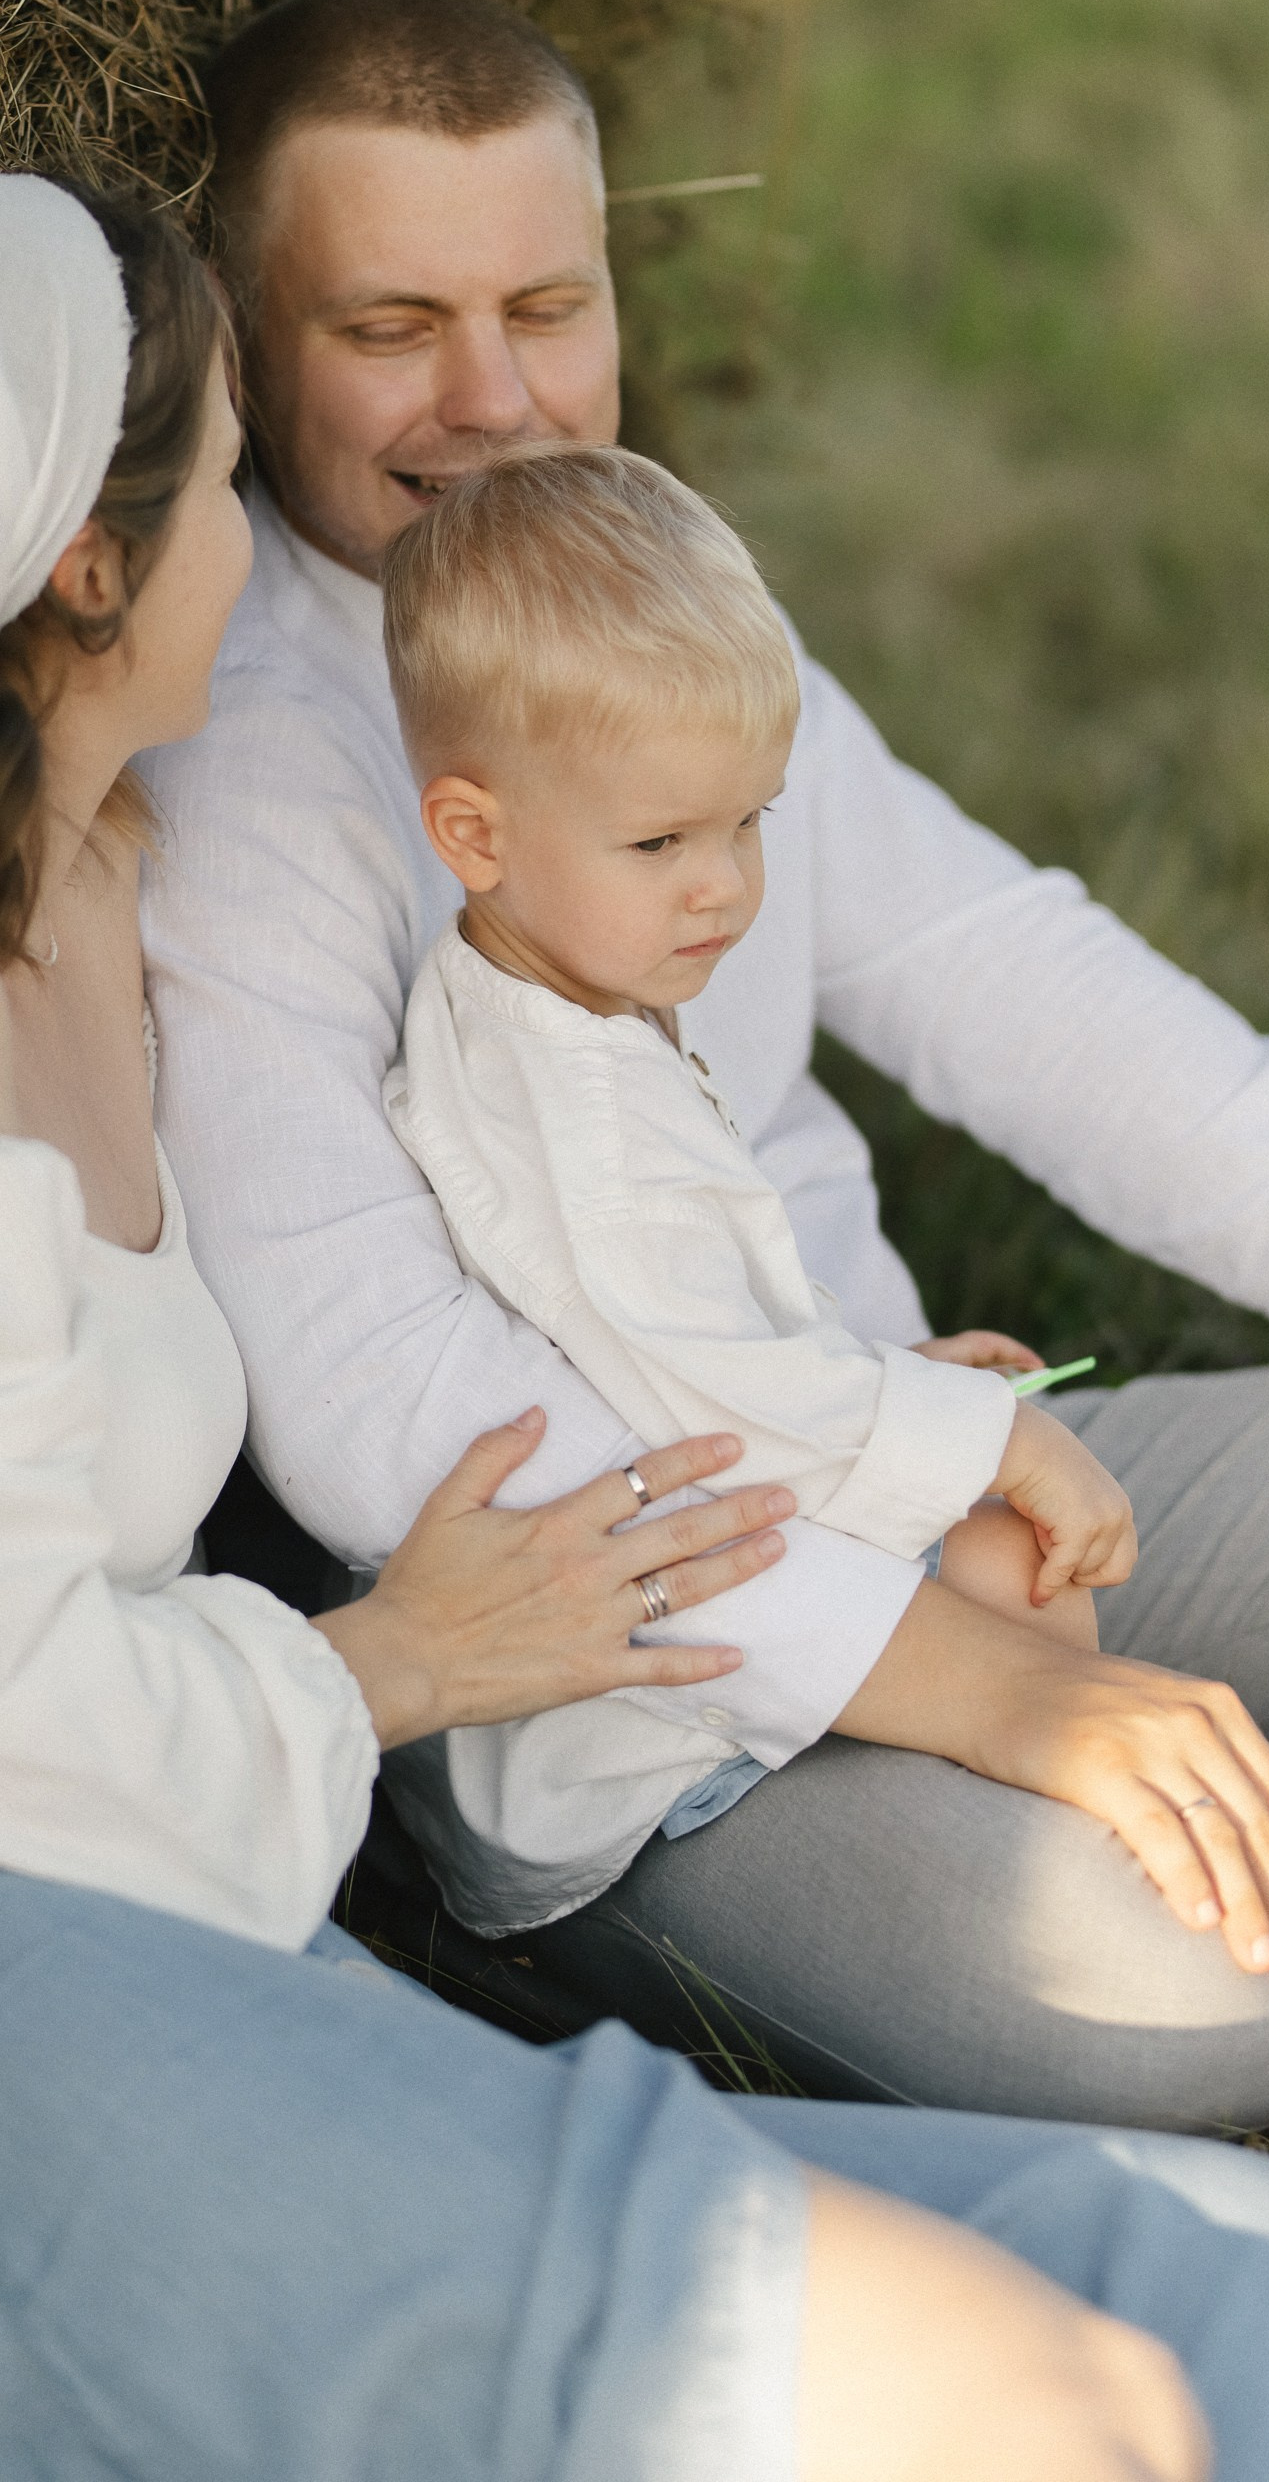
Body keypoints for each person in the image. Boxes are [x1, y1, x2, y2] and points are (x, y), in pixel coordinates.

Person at [0, 159, 1269, 2482]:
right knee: (1067, 2406)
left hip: (202, 1899)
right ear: (86, 566)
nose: (274, 531)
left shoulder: (105, 882)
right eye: (224, 470)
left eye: (550, 296)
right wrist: (409, 1659)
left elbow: (995, 977)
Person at [139, 0, 1269, 2329]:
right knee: (1230, 1995)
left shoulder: (648, 591)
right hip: (652, 1722)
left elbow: (1015, 975)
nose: (493, 401)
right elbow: (395, 1416)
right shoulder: (245, 774)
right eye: (391, 325)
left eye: (547, 305)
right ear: (243, 336)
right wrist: (998, 1694)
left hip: (959, 1476)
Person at [377, 441, 1144, 1896]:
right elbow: (714, 1406)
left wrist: (894, 1368)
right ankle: (1067, 1860)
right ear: (473, 834)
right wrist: (989, 1437)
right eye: (662, 837)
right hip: (633, 1730)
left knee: (992, 1544)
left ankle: (1075, 1805)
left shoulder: (553, 1009)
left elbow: (689, 1337)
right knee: (1008, 1550)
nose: (723, 882)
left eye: (749, 820)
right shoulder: (574, 1111)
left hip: (705, 1591)